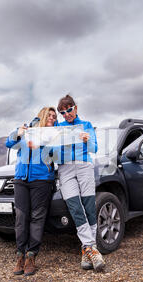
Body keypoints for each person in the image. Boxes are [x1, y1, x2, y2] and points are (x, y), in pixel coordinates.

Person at [55, 94, 105, 272]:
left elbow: (94, 148)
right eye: (62, 112)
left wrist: (87, 140)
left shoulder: (87, 125)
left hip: (84, 166)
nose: (66, 114)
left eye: (69, 110)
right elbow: (46, 136)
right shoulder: (58, 127)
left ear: (75, 108)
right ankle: (92, 248)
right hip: (65, 168)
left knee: (89, 206)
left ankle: (86, 251)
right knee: (75, 207)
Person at [5, 107, 57, 276]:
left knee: (37, 217)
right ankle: (19, 255)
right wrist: (18, 133)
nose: (52, 118)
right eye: (49, 115)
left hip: (41, 180)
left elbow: (57, 155)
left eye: (54, 116)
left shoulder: (54, 135)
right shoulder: (26, 130)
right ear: (42, 116)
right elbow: (9, 143)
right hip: (21, 179)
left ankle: (31, 256)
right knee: (21, 217)